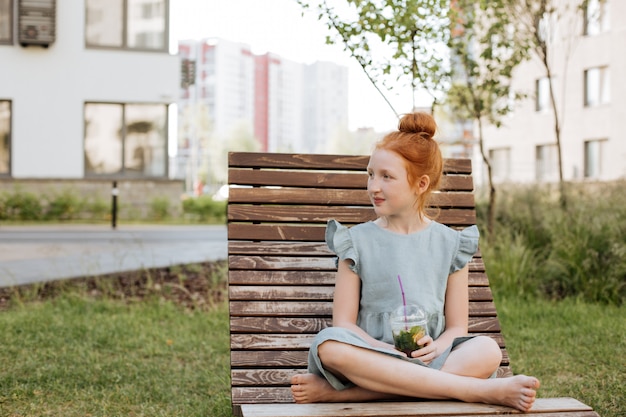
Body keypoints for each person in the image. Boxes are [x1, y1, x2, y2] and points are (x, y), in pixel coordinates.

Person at [290, 112, 540, 412]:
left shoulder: (451, 244)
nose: (373, 187)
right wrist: (385, 350)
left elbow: (457, 327)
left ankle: (346, 394)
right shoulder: (354, 242)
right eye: (370, 174)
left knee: (487, 350)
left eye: (387, 177)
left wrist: (438, 346)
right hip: (371, 357)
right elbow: (343, 323)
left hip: (429, 355)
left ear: (421, 184)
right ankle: (479, 390)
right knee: (328, 345)